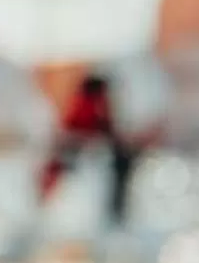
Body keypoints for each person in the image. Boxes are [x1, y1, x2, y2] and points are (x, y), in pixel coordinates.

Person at [38, 70, 146, 230]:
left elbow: (111, 128)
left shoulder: (102, 101)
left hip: (97, 163)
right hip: (79, 164)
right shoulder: (81, 101)